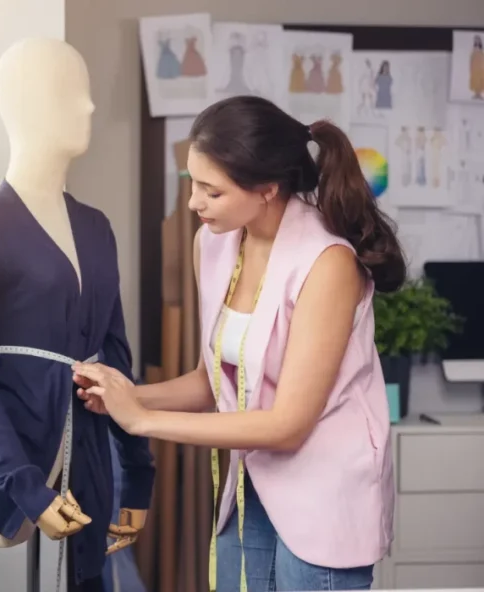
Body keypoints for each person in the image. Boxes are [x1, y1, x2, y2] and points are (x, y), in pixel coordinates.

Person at [71, 95, 405, 591]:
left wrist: (141, 419)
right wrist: (124, 394)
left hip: (325, 496)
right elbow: (213, 382)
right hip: (253, 483)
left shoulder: (328, 263)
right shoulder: (216, 242)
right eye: (193, 184)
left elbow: (289, 425)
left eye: (211, 190)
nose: (193, 203)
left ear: (268, 188)